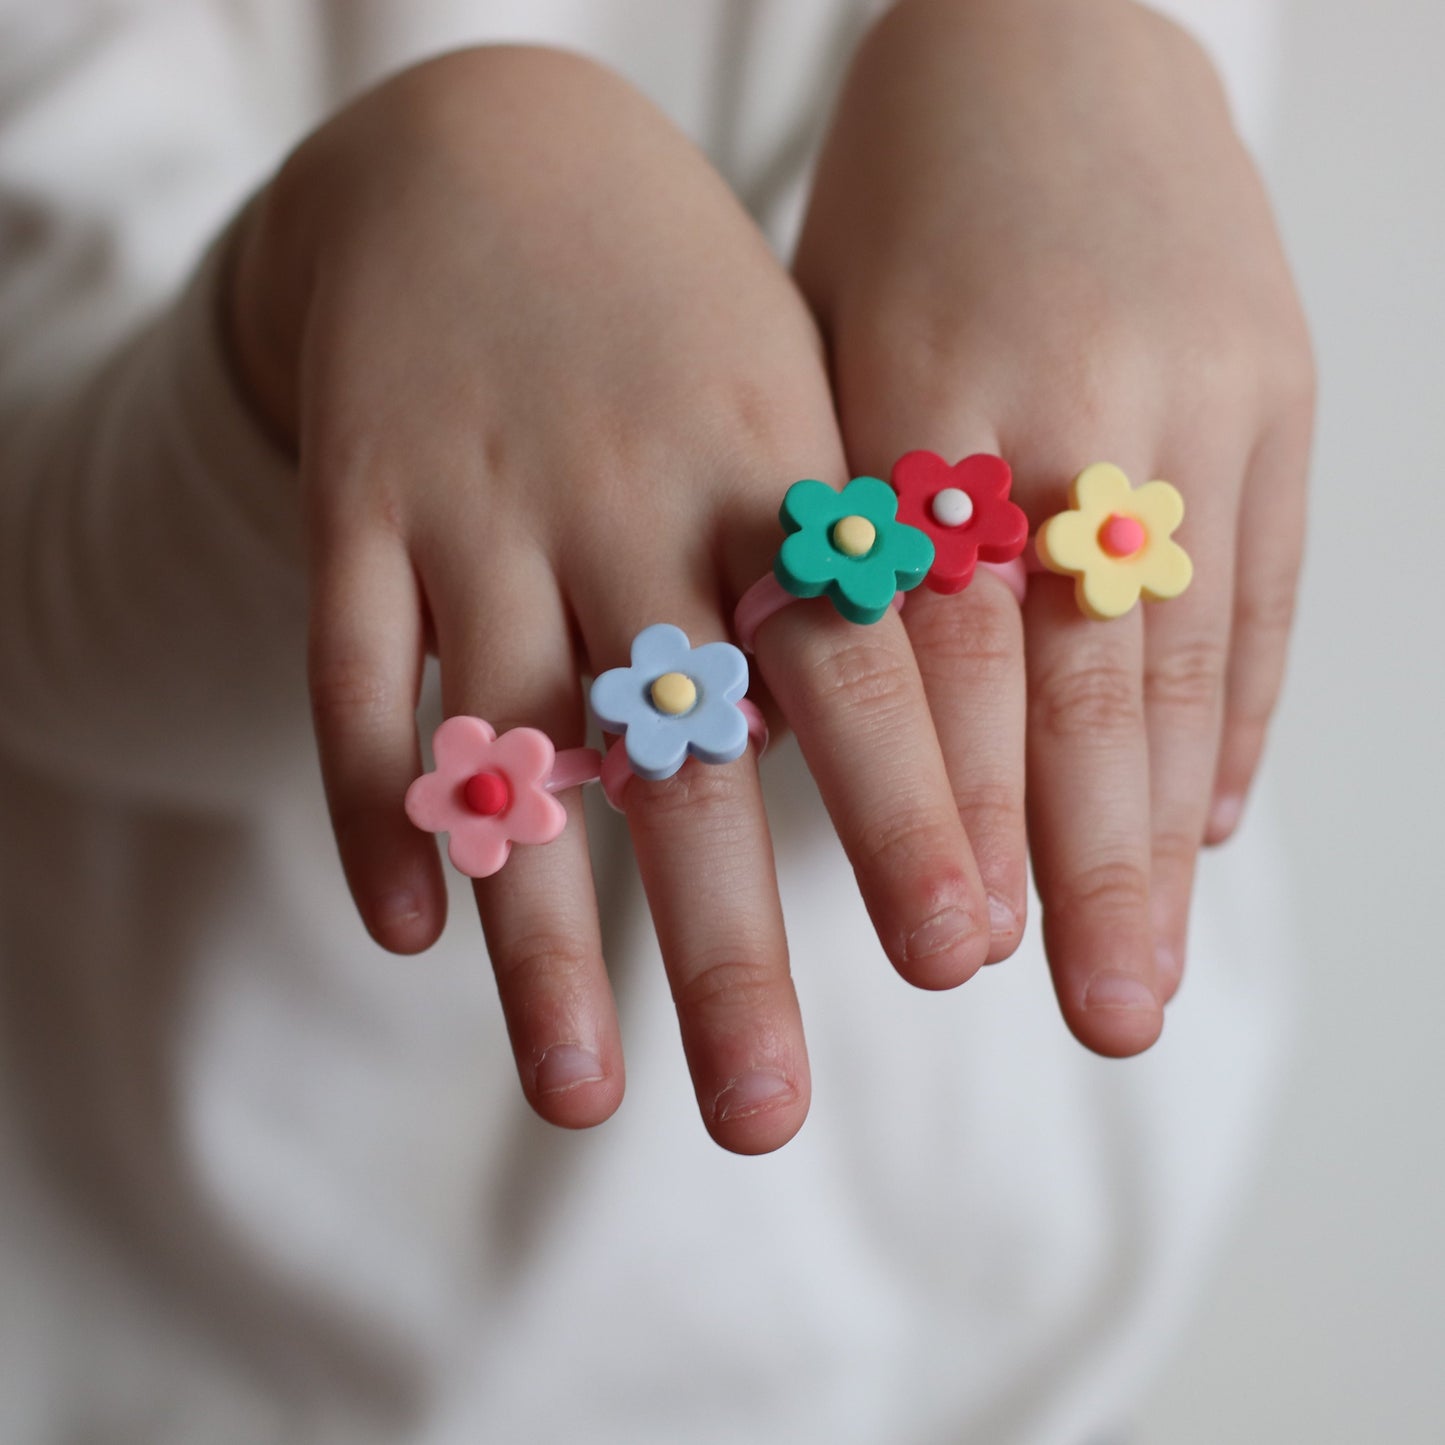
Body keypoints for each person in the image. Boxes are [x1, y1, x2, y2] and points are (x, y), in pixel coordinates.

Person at [0, 1, 1310, 1440]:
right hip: (215, 1298)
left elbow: (1110, 344)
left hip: (973, 1280)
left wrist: (1092, 46)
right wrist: (315, 279)